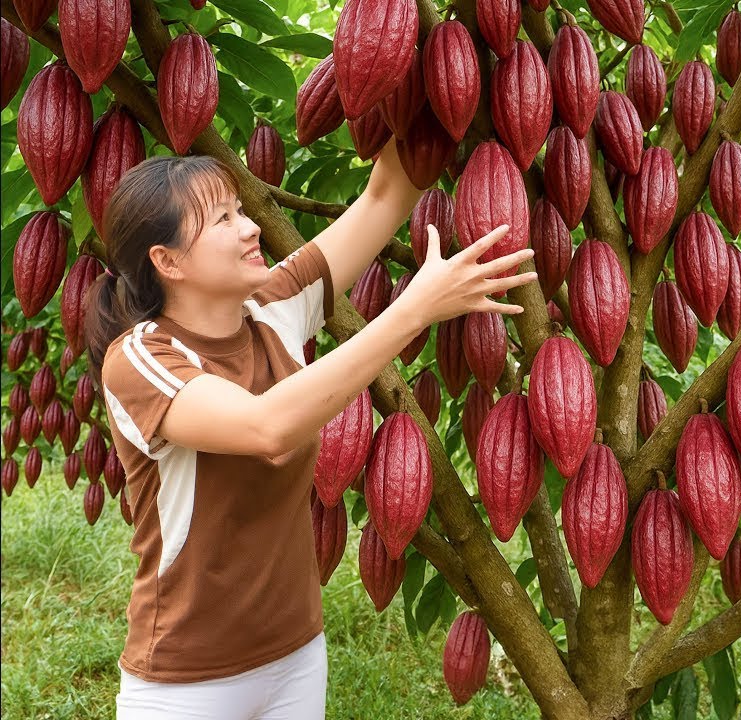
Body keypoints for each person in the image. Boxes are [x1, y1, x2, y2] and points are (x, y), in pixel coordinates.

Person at [82, 140, 536, 719]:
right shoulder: (141, 359)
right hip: (186, 680)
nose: (250, 230)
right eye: (222, 220)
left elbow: (386, 195)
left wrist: (431, 65)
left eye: (242, 210)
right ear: (167, 262)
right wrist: (415, 308)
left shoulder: (274, 304)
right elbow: (266, 425)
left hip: (295, 654)